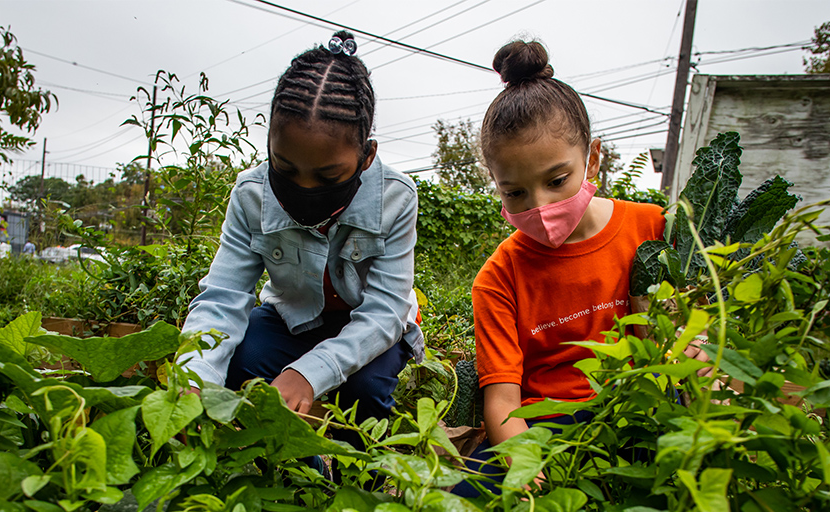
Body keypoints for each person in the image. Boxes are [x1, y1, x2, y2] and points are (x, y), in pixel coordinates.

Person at [177, 31, 423, 471]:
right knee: (242, 358)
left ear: (366, 157)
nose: (303, 188)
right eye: (284, 168)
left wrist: (309, 372)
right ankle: (297, 471)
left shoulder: (396, 198)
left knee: (365, 389)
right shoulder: (251, 195)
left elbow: (385, 311)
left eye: (328, 177)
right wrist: (192, 381)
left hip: (370, 327)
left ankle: (358, 478)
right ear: (269, 144)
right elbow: (223, 297)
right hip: (293, 318)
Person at [450, 40, 671, 497]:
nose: (541, 206)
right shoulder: (498, 278)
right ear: (496, 185)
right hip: (542, 431)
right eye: (515, 193)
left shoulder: (652, 229)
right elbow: (504, 402)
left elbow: (685, 335)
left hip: (636, 415)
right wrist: (521, 461)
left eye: (556, 181)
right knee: (459, 500)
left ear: (591, 161)